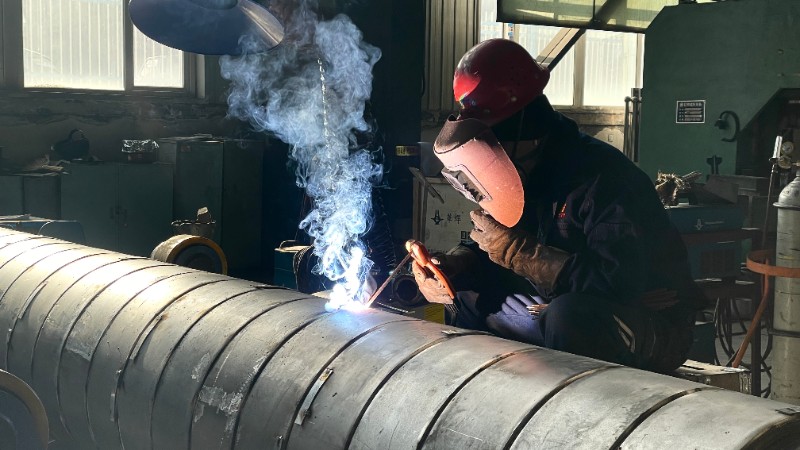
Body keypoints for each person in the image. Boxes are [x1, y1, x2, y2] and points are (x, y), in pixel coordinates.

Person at [412, 38, 706, 373]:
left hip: (647, 320)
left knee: (570, 316)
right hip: (554, 305)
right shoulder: (523, 173)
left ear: (521, 130)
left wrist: (524, 255)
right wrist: (455, 265)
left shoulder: (605, 178)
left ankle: (575, 405)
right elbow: (496, 251)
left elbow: (620, 285)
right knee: (467, 296)